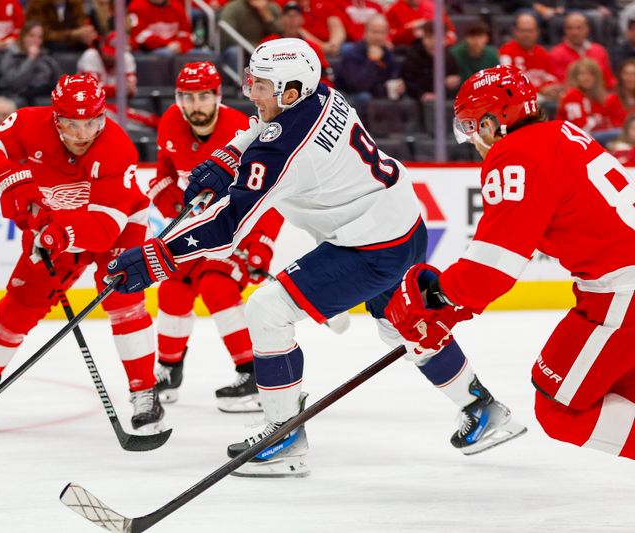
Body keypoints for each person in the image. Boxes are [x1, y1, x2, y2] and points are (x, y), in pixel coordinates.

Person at [107, 38, 526, 477]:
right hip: (401, 221)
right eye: (252, 81)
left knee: (268, 309)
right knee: (402, 324)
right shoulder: (321, 93)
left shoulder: (283, 150)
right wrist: (230, 153)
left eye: (261, 85)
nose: (251, 93)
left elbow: (227, 226)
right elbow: (264, 124)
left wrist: (155, 258)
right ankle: (484, 409)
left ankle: (283, 434)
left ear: (290, 91)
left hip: (369, 246)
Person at [386, 64, 635, 461]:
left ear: (493, 122)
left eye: (471, 126)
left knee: (559, 409)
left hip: (622, 295)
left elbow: (493, 269)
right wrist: (451, 303)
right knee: (620, 394)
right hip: (614, 290)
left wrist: (438, 299)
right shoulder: (561, 134)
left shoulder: (515, 154)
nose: (470, 139)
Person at [0, 73, 167, 434]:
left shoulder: (118, 148)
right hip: (53, 227)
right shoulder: (29, 122)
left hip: (118, 225)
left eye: (91, 122)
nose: (82, 134)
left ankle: (144, 391)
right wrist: (10, 180)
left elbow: (105, 229)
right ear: (56, 118)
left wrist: (60, 234)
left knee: (125, 301)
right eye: (72, 124)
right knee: (19, 303)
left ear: (102, 116)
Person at [148, 61, 284, 412]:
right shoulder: (170, 123)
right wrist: (169, 198)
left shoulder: (244, 130)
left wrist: (262, 245)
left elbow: (271, 193)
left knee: (216, 286)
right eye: (188, 98)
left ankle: (251, 373)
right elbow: (165, 170)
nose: (196, 106)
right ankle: (168, 370)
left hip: (237, 229)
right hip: (196, 228)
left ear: (218, 97)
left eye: (204, 97)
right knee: (173, 286)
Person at [336, 13, 403, 104]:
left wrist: (399, 86)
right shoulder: (352, 54)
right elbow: (359, 85)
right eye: (375, 32)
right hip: (351, 97)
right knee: (365, 97)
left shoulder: (388, 54)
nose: (378, 37)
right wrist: (372, 61)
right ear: (365, 33)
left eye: (382, 33)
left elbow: (393, 77)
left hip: (378, 95)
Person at [498, 12, 561, 102]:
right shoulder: (506, 52)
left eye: (530, 31)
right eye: (523, 31)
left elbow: (552, 77)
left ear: (537, 32)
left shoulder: (542, 52)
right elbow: (508, 83)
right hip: (519, 99)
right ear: (515, 31)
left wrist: (551, 87)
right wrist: (540, 89)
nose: (527, 35)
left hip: (543, 96)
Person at [0, 21, 62, 104]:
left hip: (43, 93)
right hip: (18, 94)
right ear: (23, 37)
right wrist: (31, 59)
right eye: (32, 36)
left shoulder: (46, 56)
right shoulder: (11, 55)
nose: (36, 40)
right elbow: (15, 83)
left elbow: (60, 80)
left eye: (40, 37)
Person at [549, 11, 616, 90]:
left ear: (587, 29)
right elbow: (559, 83)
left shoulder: (599, 51)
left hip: (599, 97)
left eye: (579, 28)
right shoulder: (556, 54)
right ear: (565, 31)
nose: (575, 32)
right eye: (570, 28)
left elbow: (609, 80)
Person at [556, 58, 615, 142]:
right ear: (575, 77)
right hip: (574, 139)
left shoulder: (595, 97)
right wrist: (595, 121)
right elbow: (580, 127)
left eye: (590, 74)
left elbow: (606, 121)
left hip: (593, 137)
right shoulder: (573, 95)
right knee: (620, 133)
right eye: (582, 74)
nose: (586, 78)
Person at [400, 21, 460, 102]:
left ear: (445, 39)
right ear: (423, 39)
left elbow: (456, 77)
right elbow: (408, 83)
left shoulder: (449, 57)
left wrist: (452, 83)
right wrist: (421, 94)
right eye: (429, 37)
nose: (434, 42)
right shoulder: (413, 57)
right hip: (418, 103)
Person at [25, 0, 98, 52]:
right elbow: (42, 34)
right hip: (46, 46)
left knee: (91, 50)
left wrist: (86, 35)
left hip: (72, 44)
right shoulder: (37, 4)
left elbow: (79, 27)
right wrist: (72, 34)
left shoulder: (75, 3)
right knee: (55, 45)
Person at [127, 0, 193, 55]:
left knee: (198, 54)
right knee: (166, 53)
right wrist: (167, 44)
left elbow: (185, 32)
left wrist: (181, 45)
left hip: (175, 48)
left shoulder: (177, 6)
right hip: (147, 51)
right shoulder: (137, 6)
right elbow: (140, 36)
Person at [605, 59, 635, 128]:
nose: (630, 78)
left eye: (633, 74)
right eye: (626, 74)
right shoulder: (611, 100)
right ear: (621, 76)